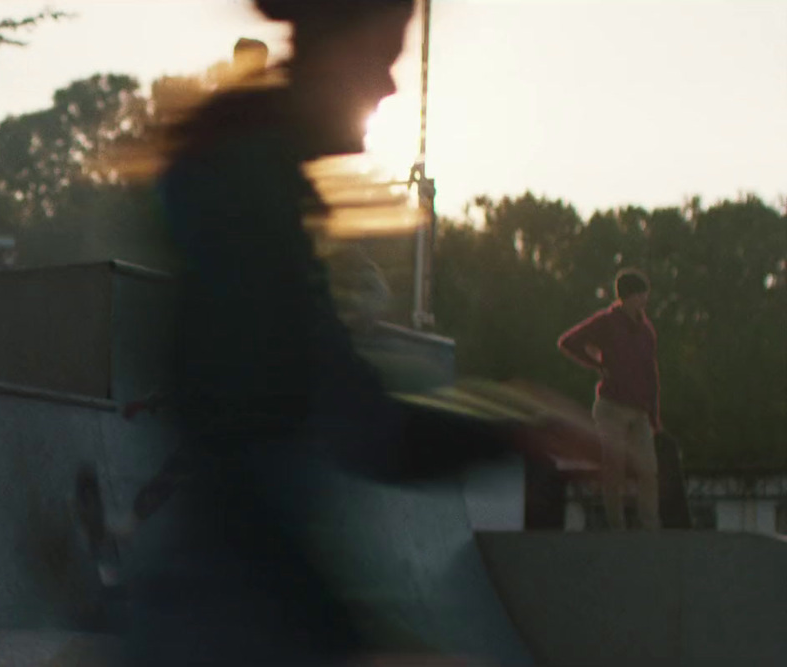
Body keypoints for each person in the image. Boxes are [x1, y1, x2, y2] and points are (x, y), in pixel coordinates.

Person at [116, 1, 602, 664]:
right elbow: (253, 468)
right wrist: (349, 643)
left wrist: (519, 429)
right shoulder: (243, 204)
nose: (389, 86)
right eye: (380, 58)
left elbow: (363, 423)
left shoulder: (265, 197)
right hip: (221, 623)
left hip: (230, 616)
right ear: (329, 51)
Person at [558, 268, 662, 530]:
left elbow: (652, 373)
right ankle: (616, 524)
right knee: (614, 466)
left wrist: (654, 415)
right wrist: (596, 364)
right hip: (611, 408)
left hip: (639, 410)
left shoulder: (646, 331)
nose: (644, 301)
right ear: (627, 297)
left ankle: (650, 524)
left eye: (645, 295)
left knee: (648, 469)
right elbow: (568, 342)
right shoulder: (607, 323)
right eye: (640, 295)